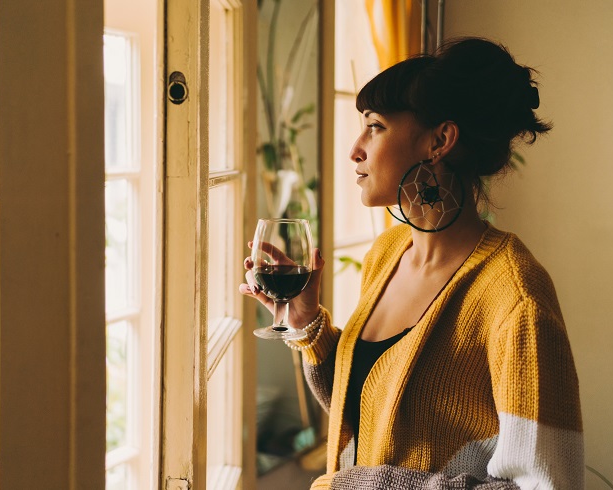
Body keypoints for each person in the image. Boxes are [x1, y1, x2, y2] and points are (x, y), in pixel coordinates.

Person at [240, 38, 583, 489]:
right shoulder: (387, 252)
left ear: (438, 141)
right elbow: (380, 422)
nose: (355, 149)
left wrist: (370, 485)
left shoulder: (516, 297)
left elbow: (546, 483)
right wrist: (308, 326)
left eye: (375, 127)